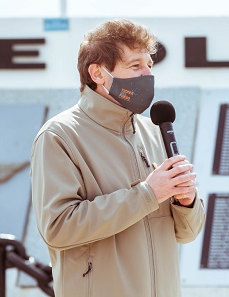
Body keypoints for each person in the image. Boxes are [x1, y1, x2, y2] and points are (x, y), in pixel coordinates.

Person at [30, 19, 206, 297]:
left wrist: (188, 202)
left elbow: (187, 233)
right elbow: (58, 227)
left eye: (150, 65)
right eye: (135, 66)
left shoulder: (154, 131)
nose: (147, 75)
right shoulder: (59, 136)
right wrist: (149, 193)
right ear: (98, 73)